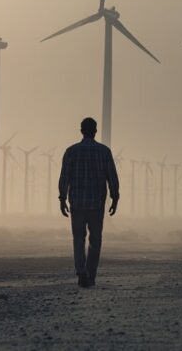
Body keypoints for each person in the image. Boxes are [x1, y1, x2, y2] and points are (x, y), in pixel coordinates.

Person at [58, 117, 120, 287]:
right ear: (96, 131)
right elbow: (112, 177)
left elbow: (64, 177)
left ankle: (81, 272)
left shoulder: (71, 151)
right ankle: (90, 274)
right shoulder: (104, 152)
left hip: (77, 203)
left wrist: (62, 198)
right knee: (95, 240)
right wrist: (115, 197)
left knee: (78, 238)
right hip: (96, 204)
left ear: (81, 131)